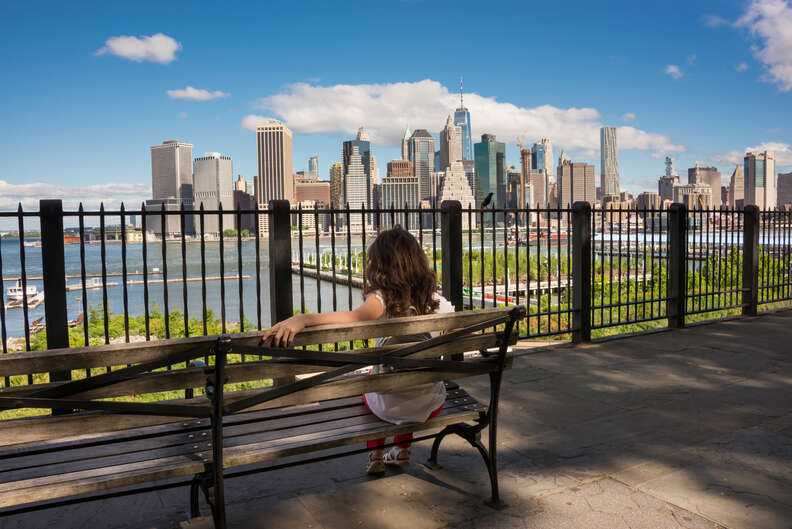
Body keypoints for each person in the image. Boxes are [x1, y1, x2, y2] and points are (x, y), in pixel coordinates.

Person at [263, 226, 454, 475]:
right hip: (429, 403)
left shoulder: (381, 300)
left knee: (373, 387)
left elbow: (353, 317)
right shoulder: (438, 302)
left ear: (380, 265)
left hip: (389, 404)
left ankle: (376, 455)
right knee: (411, 382)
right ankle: (402, 450)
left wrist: (305, 318)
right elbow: (460, 332)